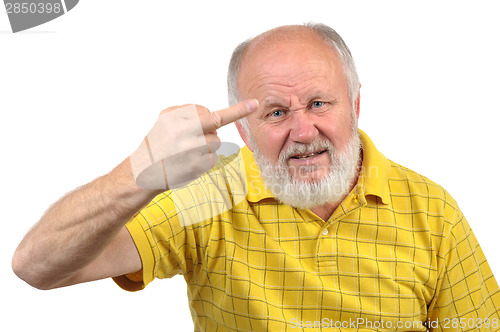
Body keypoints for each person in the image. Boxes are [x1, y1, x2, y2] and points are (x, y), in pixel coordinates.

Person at [12, 23, 500, 331]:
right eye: (275, 113)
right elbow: (37, 267)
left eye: (318, 103)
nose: (302, 131)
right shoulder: (207, 195)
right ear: (243, 132)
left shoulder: (431, 209)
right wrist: (137, 174)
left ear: (354, 106)